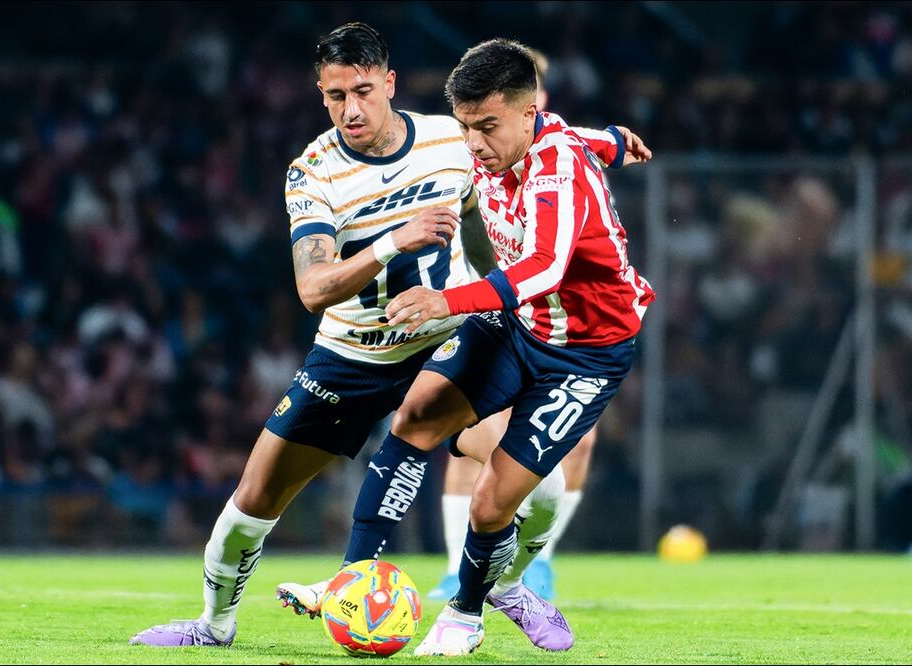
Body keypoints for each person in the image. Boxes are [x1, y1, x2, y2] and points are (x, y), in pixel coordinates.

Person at [129, 23, 643, 650]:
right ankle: (213, 626)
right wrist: (392, 241)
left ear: (390, 84)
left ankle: (490, 581)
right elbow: (314, 289)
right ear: (320, 96)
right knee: (252, 499)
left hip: (451, 326)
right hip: (353, 353)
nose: (350, 109)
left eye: (363, 91)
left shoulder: (449, 137)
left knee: (535, 481)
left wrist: (611, 141)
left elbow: (537, 133)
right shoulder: (312, 174)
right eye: (334, 95)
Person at [280, 38, 653, 657]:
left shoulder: (554, 171)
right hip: (520, 326)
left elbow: (541, 269)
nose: (473, 145)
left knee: (490, 505)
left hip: (585, 352)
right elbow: (581, 135)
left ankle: (469, 611)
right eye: (465, 127)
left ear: (525, 114)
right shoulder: (506, 140)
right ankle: (353, 582)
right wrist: (616, 138)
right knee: (416, 417)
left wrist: (443, 302)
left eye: (486, 128)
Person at [430, 46, 599, 603]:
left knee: (575, 440)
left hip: (547, 315)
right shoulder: (473, 151)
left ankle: (536, 562)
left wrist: (618, 143)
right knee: (478, 431)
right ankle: (461, 568)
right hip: (485, 302)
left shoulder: (556, 155)